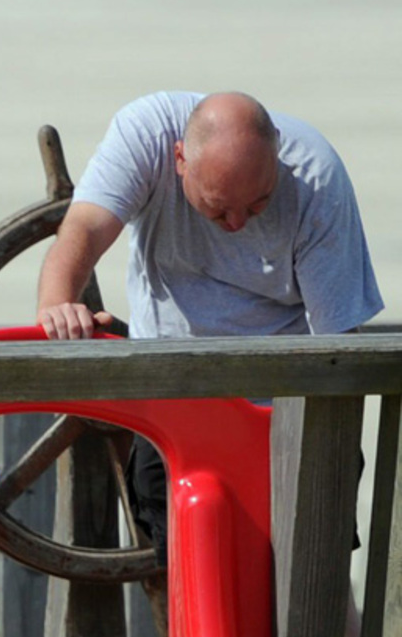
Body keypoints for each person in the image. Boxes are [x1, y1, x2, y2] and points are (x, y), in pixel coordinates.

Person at [35, 91, 382, 600]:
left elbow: (334, 350)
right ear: (178, 159)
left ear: (278, 155)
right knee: (193, 598)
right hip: (176, 406)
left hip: (288, 408)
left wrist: (325, 458)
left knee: (316, 600)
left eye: (259, 204)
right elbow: (85, 226)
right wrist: (57, 305)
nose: (238, 223)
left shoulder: (315, 179)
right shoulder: (145, 134)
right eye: (218, 209)